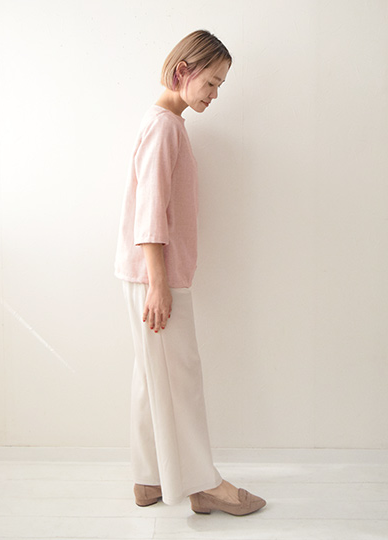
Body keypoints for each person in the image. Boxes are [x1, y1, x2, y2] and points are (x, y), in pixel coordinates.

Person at [114, 29, 267, 516]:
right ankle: (203, 485)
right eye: (212, 83)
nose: (215, 95)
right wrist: (159, 284)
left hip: (149, 273)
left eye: (220, 85)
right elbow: (150, 213)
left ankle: (148, 478)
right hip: (156, 275)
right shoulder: (163, 127)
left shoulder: (167, 123)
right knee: (181, 379)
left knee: (152, 377)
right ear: (184, 70)